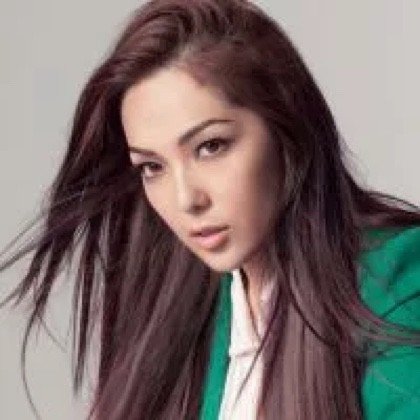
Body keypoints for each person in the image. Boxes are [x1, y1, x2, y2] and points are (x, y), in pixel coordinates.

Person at [1, 0, 420, 419]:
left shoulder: (397, 281)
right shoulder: (183, 322)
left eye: (211, 147)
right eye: (152, 167)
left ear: (286, 128)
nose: (186, 199)